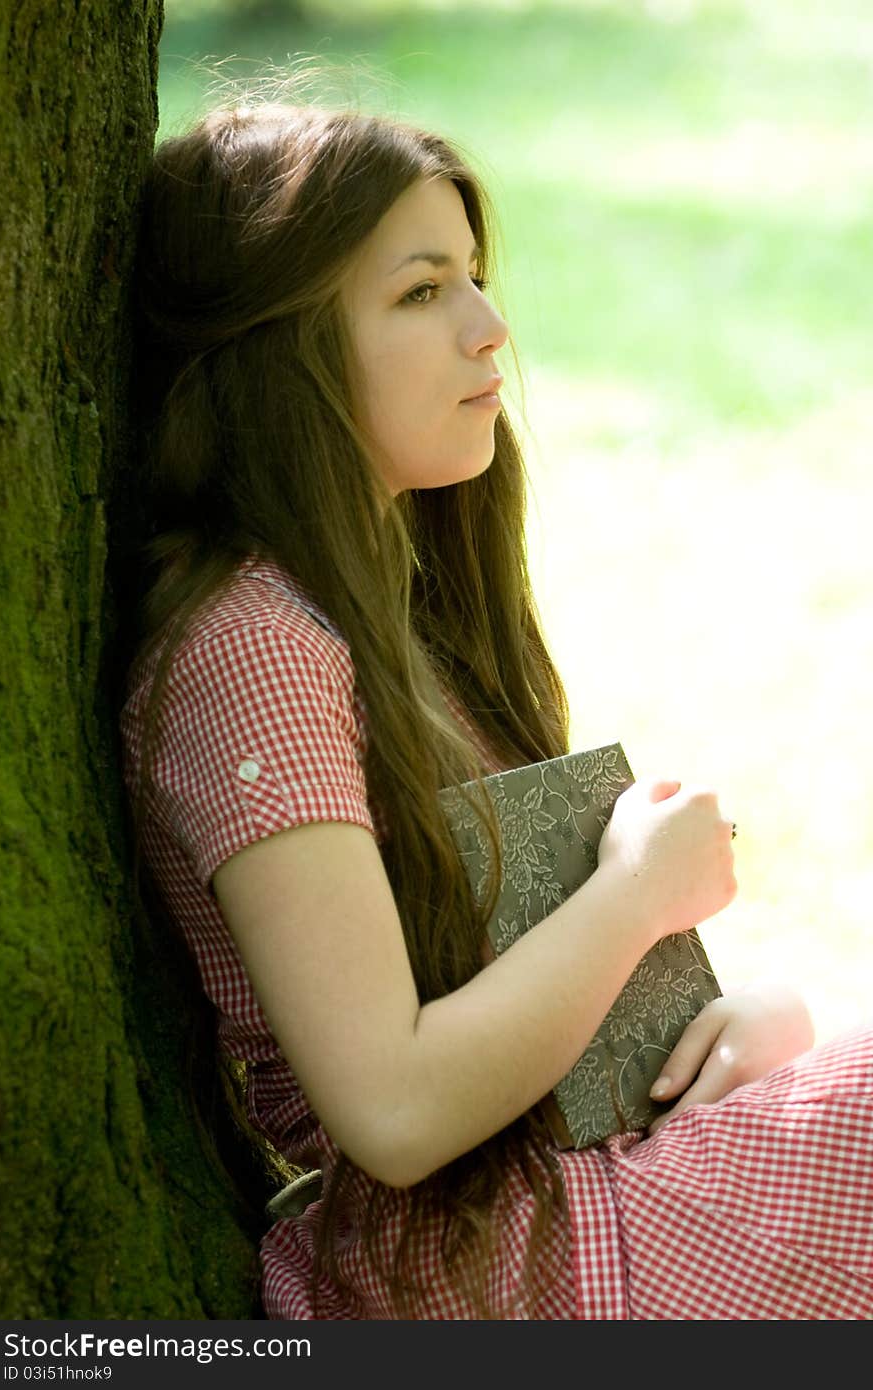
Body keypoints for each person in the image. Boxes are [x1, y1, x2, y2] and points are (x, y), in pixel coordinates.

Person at [118, 91, 873, 1320]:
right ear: (280, 349)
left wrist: (746, 1027)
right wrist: (636, 895)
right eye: (422, 293)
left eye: (470, 276)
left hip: (570, 1184)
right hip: (485, 1268)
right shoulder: (248, 652)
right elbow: (397, 1110)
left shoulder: (395, 608)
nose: (490, 328)